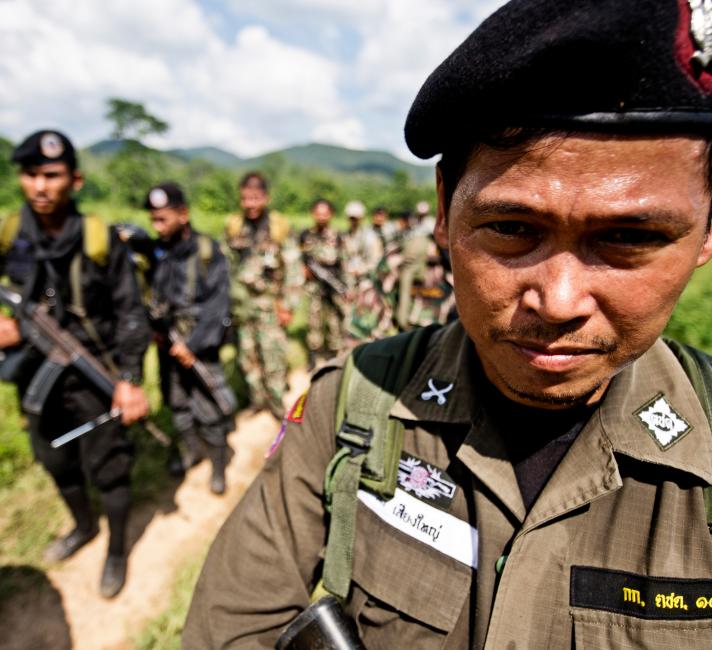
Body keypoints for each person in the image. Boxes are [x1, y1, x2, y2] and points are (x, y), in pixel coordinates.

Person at [184, 0, 712, 647]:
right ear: (443, 207)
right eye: (513, 229)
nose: (560, 299)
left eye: (629, 236)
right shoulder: (352, 406)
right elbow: (233, 627)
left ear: (706, 231)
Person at [0, 130, 151, 598]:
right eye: (30, 175)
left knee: (109, 467)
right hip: (34, 374)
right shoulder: (9, 233)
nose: (40, 186)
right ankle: (83, 527)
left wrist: (128, 380)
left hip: (92, 377)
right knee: (54, 459)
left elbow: (130, 312)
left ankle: (117, 550)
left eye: (52, 175)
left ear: (76, 180)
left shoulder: (99, 240)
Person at [145, 182, 235, 495]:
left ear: (183, 214)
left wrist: (192, 344)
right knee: (178, 405)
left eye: (162, 219)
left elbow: (218, 305)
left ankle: (218, 466)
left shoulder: (208, 251)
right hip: (168, 346)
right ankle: (190, 452)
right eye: (153, 219)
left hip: (200, 348)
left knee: (210, 410)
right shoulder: (157, 252)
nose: (157, 226)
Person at [224, 172, 301, 420]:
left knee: (273, 357)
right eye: (245, 198)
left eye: (255, 198)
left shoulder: (278, 229)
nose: (250, 204)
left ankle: (277, 404)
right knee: (248, 358)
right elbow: (226, 266)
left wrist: (288, 305)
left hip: (270, 305)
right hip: (243, 306)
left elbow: (293, 269)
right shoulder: (235, 227)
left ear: (265, 198)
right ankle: (257, 401)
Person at [299, 198, 347, 368]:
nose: (321, 217)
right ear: (313, 214)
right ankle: (313, 356)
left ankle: (333, 355)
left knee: (335, 321)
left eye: (325, 213)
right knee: (314, 321)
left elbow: (343, 261)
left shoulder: (338, 236)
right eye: (318, 213)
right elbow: (300, 258)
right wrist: (304, 270)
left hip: (332, 284)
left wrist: (344, 285)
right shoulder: (305, 235)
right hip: (314, 287)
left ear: (331, 215)